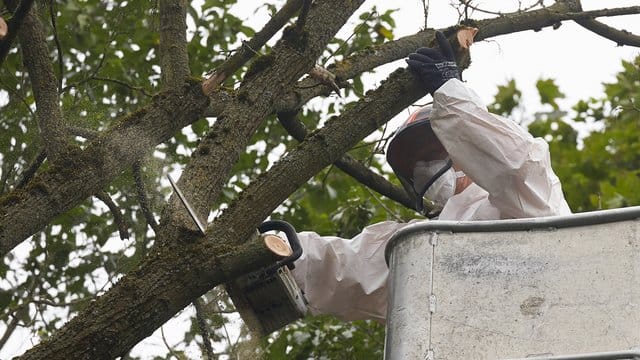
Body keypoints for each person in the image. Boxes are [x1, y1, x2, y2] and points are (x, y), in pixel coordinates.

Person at [291, 31, 572, 323]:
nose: (421, 167)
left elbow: (517, 164)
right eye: (414, 164)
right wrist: (281, 251)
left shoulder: (527, 197)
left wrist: (451, 93)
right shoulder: (426, 242)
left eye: (430, 153)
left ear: (461, 147)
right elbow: (349, 268)